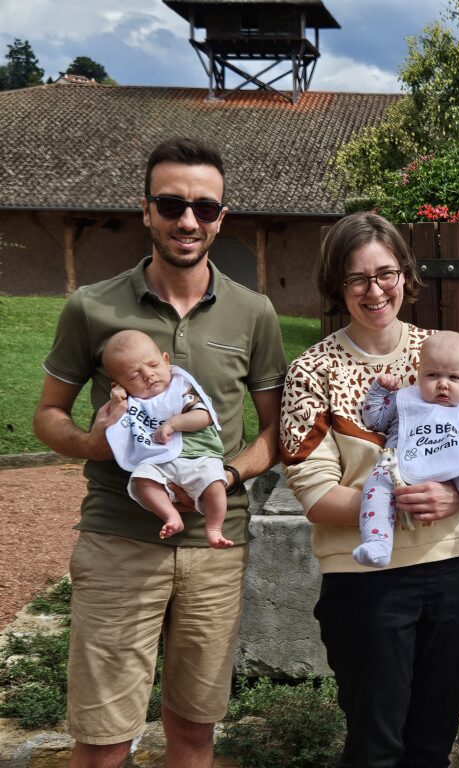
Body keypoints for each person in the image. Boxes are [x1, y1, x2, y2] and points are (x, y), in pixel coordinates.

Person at [33, 137, 286, 768]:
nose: (188, 220)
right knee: (102, 739)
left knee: (196, 732)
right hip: (119, 542)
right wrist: (93, 443)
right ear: (145, 210)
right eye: (171, 204)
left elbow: (274, 435)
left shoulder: (254, 313)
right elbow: (47, 415)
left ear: (222, 217)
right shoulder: (92, 306)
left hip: (214, 550)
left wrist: (224, 475)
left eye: (204, 207)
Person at [280, 212, 459, 767]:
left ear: (405, 275)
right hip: (365, 582)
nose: (374, 290)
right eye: (357, 278)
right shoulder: (314, 370)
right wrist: (396, 504)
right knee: (376, 746)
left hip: (453, 569)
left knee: (432, 744)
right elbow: (315, 494)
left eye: (386, 273)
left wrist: (457, 495)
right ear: (337, 285)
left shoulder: (448, 352)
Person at [355, 330, 459, 567]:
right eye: (432, 375)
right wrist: (379, 392)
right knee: (376, 487)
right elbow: (374, 421)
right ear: (419, 372)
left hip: (454, 464)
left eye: (454, 378)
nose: (443, 384)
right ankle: (377, 541)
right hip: (399, 466)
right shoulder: (403, 399)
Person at [102, 329, 234, 548]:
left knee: (215, 483)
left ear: (165, 360)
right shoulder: (133, 402)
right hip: (158, 462)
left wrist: (173, 423)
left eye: (153, 365)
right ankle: (170, 515)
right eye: (134, 376)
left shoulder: (180, 388)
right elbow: (117, 423)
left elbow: (204, 416)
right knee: (142, 479)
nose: (148, 375)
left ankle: (213, 528)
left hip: (198, 457)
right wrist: (117, 399)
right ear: (120, 383)